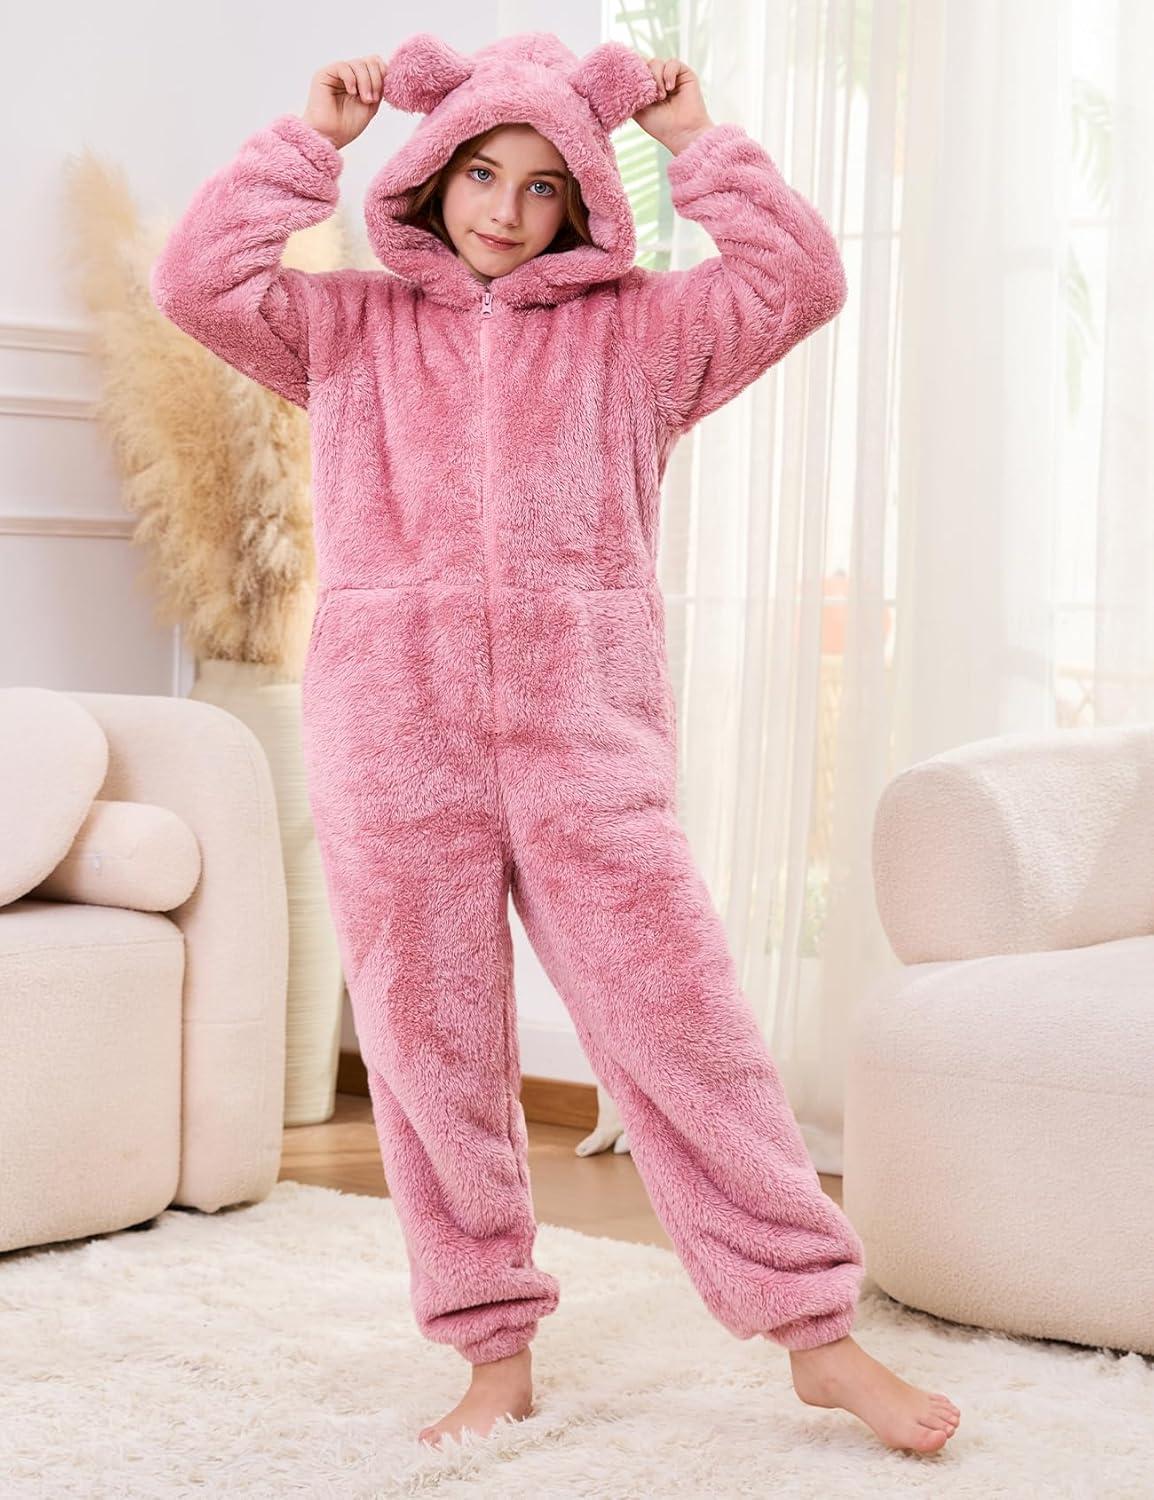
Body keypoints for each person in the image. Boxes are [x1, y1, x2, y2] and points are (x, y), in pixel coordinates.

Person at [151, 30, 961, 1457]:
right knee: (429, 1053)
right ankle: (492, 1352)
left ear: (586, 196)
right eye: (481, 174)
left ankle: (816, 1335)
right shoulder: (348, 330)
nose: (507, 211)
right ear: (431, 174)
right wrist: (309, 145)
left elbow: (797, 280)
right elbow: (196, 281)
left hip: (586, 734)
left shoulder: (641, 333)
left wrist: (696, 142)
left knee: (684, 1027)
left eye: (543, 185)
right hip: (394, 734)